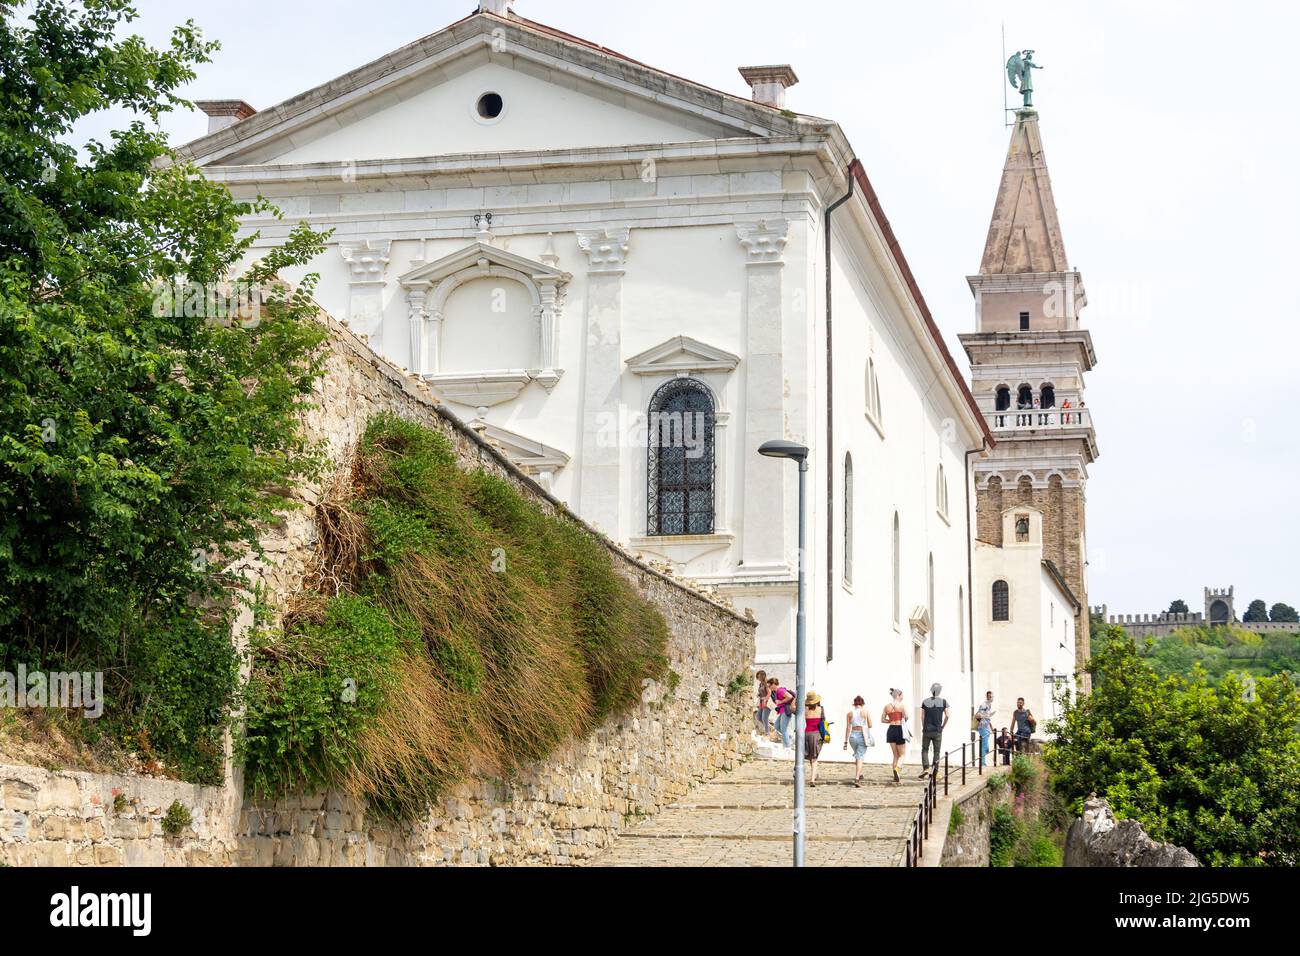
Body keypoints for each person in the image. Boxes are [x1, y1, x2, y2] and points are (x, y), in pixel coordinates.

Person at [919, 683, 949, 778]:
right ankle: (935, 772)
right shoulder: (944, 702)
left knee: (924, 750)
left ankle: (926, 768)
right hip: (937, 731)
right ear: (940, 691)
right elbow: (947, 715)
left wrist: (924, 726)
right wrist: (942, 726)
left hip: (927, 730)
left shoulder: (925, 701)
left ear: (931, 691)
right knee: (937, 751)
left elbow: (922, 716)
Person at [843, 695, 874, 787]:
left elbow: (848, 728)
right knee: (860, 756)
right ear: (862, 703)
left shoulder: (849, 713)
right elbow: (870, 725)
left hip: (852, 735)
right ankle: (857, 778)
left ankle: (859, 774)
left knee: (857, 755)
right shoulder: (865, 712)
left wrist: (845, 742)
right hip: (862, 735)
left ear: (854, 704)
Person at [881, 688, 909, 783]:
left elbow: (883, 720)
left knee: (895, 754)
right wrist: (901, 719)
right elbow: (907, 716)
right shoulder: (902, 706)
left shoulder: (886, 706)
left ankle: (895, 775)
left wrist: (891, 720)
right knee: (902, 754)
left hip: (891, 730)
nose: (902, 697)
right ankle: (897, 769)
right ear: (898, 695)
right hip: (899, 729)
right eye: (901, 695)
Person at [803, 692, 825, 786]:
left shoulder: (804, 710)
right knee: (814, 758)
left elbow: (792, 709)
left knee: (811, 757)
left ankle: (814, 774)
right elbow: (823, 722)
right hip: (817, 735)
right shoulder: (821, 709)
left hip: (806, 734)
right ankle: (812, 779)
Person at [770, 679, 795, 748]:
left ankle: (787, 746)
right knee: (776, 726)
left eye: (770, 685)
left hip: (786, 711)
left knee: (783, 729)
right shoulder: (777, 691)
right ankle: (789, 737)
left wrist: (780, 702)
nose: (769, 687)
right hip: (782, 711)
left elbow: (790, 697)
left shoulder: (780, 690)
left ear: (774, 684)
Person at [975, 691, 995, 766]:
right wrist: (983, 715)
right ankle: (982, 763)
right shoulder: (984, 705)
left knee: (985, 747)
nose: (991, 698)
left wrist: (992, 728)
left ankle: (982, 762)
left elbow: (988, 719)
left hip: (986, 727)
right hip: (982, 727)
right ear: (987, 697)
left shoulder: (989, 705)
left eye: (992, 696)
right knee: (984, 746)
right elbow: (978, 715)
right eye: (989, 696)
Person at [754, 671, 772, 738]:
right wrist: (759, 694)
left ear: (762, 676)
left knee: (764, 717)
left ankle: (767, 733)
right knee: (758, 716)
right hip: (761, 701)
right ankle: (770, 727)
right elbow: (761, 691)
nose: (758, 678)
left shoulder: (766, 683)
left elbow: (769, 692)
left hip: (767, 702)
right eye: (757, 677)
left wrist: (765, 700)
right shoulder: (760, 684)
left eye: (759, 677)